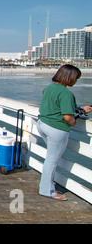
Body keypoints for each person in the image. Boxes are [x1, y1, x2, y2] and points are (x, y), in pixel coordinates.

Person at [37, 64, 92, 200]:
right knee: (52, 160)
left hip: (42, 124)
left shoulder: (49, 88)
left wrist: (81, 110)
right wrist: (74, 122)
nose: (76, 81)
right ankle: (47, 190)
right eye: (76, 78)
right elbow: (67, 117)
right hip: (56, 129)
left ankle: (47, 184)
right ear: (69, 77)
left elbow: (57, 106)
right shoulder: (66, 93)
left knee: (50, 158)